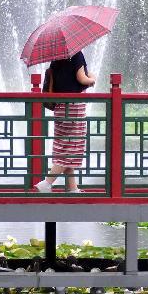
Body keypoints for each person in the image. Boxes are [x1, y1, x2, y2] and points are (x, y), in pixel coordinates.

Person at [33, 50, 95, 193]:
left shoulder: (55, 57)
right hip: (74, 107)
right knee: (71, 148)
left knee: (65, 146)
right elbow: (82, 79)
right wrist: (92, 78)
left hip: (60, 107)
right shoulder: (77, 54)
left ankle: (73, 189)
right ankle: (46, 183)